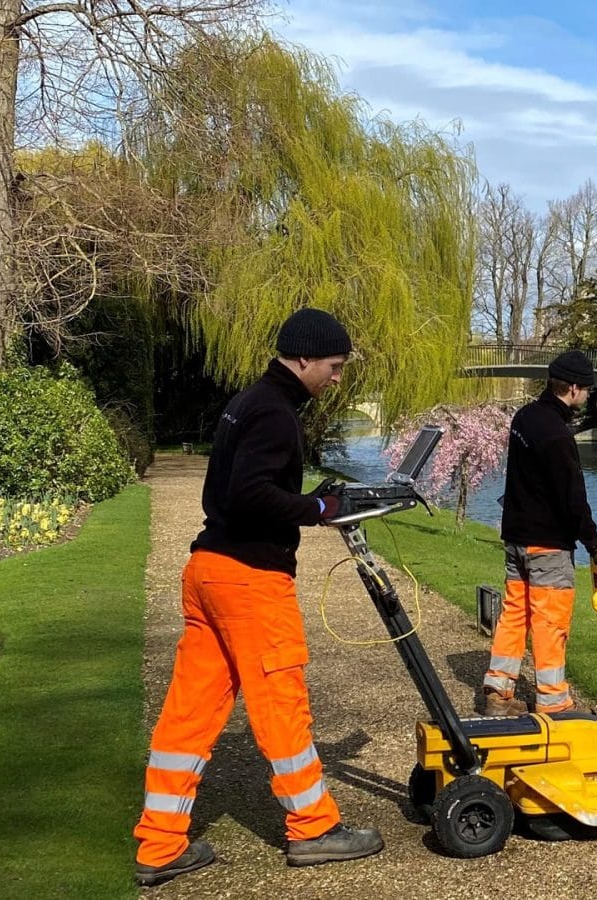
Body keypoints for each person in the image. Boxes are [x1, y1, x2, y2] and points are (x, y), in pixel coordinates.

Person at [133, 308, 382, 887]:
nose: (338, 378)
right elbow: (251, 494)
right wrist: (315, 509)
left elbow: (228, 486)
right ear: (303, 359)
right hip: (249, 579)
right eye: (334, 366)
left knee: (189, 714)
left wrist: (306, 501)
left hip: (208, 569)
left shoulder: (246, 402)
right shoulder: (276, 413)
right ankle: (314, 828)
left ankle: (160, 842)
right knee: (281, 703)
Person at [481, 349, 597, 717]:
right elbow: (572, 499)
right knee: (549, 622)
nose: (587, 397)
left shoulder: (524, 418)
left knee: (514, 614)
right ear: (572, 388)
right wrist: (595, 543)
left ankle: (498, 687)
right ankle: (554, 703)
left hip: (517, 539)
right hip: (548, 546)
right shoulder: (557, 435)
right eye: (586, 390)